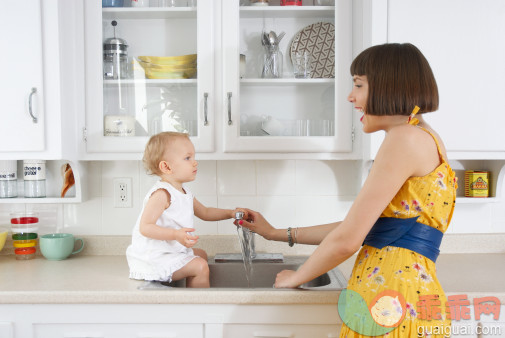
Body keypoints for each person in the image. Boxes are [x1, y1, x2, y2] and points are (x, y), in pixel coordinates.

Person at [238, 43, 457, 337]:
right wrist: (277, 233)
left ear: (388, 86)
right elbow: (369, 227)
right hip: (410, 297)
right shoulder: (424, 136)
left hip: (390, 296)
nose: (351, 97)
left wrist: (296, 277)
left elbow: (348, 239)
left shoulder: (403, 139)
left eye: (358, 84)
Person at [126, 132, 247, 288]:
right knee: (200, 266)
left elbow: (205, 212)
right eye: (188, 158)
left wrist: (230, 213)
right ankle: (198, 308)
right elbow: (145, 227)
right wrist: (175, 234)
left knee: (201, 254)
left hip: (168, 252)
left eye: (193, 157)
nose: (195, 163)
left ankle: (190, 294)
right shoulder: (162, 194)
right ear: (166, 167)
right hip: (154, 259)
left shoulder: (184, 192)